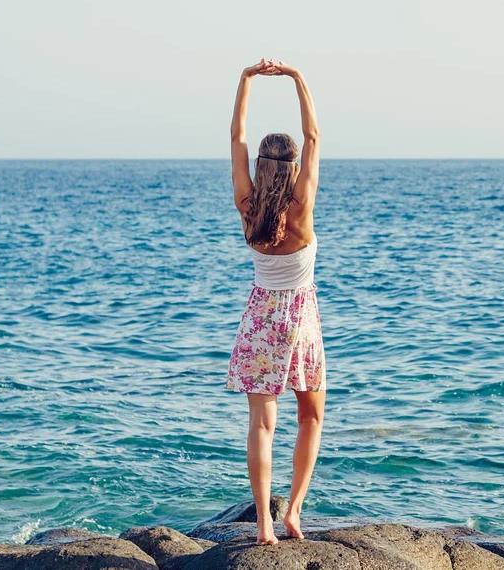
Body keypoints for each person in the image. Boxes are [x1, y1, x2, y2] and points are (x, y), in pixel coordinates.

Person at [225, 58, 324, 545]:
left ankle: (264, 521)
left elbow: (236, 137)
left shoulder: (247, 202)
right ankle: (295, 511)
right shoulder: (301, 203)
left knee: (261, 425)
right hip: (300, 320)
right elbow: (315, 137)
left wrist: (245, 80)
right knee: (311, 415)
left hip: (260, 319)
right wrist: (297, 79)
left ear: (261, 166)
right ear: (295, 167)